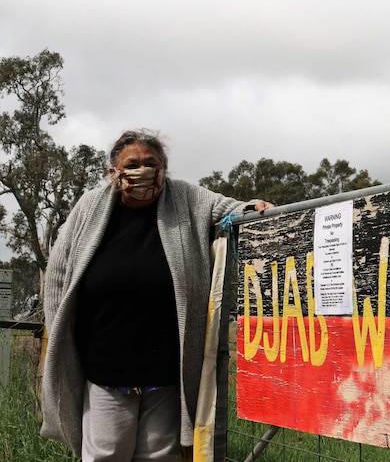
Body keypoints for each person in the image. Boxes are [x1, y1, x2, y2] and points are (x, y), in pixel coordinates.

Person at [40, 129, 275, 461]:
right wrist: (59, 327)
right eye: (132, 163)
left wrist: (253, 208)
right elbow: (59, 271)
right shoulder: (90, 207)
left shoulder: (186, 198)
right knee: (106, 454)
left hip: (166, 372)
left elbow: (231, 209)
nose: (142, 170)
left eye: (151, 163)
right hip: (106, 370)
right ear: (113, 171)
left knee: (159, 456)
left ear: (164, 169)